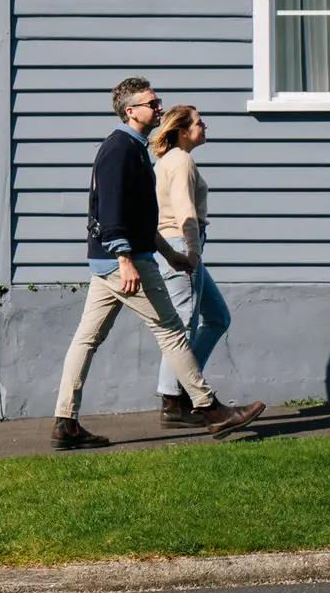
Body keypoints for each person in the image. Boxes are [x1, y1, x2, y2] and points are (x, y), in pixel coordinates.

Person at [51, 79, 266, 450]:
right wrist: (125, 258)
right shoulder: (119, 149)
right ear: (130, 111)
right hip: (125, 261)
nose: (159, 108)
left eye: (158, 101)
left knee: (86, 340)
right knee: (170, 330)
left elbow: (142, 218)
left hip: (116, 262)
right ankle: (208, 407)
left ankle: (65, 421)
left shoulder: (134, 150)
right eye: (151, 104)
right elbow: (110, 209)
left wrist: (171, 255)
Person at [151, 103, 232, 428]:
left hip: (180, 244)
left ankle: (183, 388)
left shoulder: (169, 160)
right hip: (181, 245)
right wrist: (193, 252)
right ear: (183, 131)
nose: (205, 126)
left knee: (216, 316)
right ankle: (173, 401)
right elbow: (185, 209)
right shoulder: (180, 160)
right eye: (199, 123)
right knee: (183, 322)